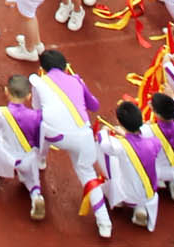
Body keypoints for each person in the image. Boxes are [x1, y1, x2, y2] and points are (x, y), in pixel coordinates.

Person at [32, 48, 110, 233]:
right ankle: (104, 223)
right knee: (88, 174)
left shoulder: (39, 82)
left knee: (41, 124)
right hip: (83, 136)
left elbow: (36, 110)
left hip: (54, 135)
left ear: (42, 68)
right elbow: (95, 106)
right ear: (65, 66)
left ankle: (40, 159)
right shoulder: (77, 80)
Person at [0, 74, 46, 215]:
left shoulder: (1, 113)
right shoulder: (36, 116)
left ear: (6, 91)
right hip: (28, 158)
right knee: (33, 182)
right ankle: (36, 196)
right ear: (29, 96)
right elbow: (39, 139)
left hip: (8, 157)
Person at [98, 99, 164, 230]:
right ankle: (141, 209)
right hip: (150, 194)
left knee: (112, 161)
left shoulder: (120, 145)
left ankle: (118, 200)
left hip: (129, 196)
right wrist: (126, 135)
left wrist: (103, 131)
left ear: (119, 123)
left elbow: (104, 145)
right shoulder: (154, 142)